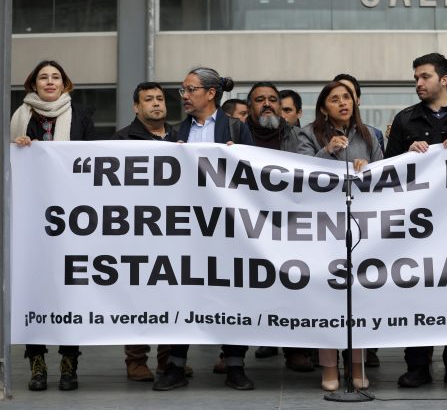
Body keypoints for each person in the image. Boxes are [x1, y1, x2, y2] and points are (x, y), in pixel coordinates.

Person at [384, 52, 447, 389]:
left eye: (425, 77)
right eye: (416, 77)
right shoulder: (404, 120)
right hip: (418, 228)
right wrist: (405, 155)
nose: (418, 83)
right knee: (417, 293)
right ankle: (417, 365)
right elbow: (387, 173)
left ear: (444, 79)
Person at [155, 67, 254, 392]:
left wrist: (236, 159)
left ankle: (235, 365)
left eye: (190, 89)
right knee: (185, 294)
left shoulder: (237, 130)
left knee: (232, 295)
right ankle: (176, 366)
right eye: (182, 90)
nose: (183, 96)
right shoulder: (174, 133)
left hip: (229, 229)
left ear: (210, 93)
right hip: (189, 231)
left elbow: (256, 178)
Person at [11, 59, 96, 391]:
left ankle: (69, 362)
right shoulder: (20, 118)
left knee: (69, 290)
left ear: (65, 84)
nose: (49, 81)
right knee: (35, 289)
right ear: (33, 84)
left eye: (55, 77)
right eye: (43, 77)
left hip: (73, 219)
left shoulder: (83, 117)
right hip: (31, 219)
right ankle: (36, 364)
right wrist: (18, 148)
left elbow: (94, 162)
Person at [298, 81, 382, 391]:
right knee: (329, 296)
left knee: (359, 295)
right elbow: (299, 172)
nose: (343, 103)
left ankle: (356, 364)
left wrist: (367, 168)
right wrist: (327, 150)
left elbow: (383, 174)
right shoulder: (307, 133)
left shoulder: (369, 134)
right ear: (323, 107)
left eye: (347, 97)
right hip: (322, 225)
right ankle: (329, 368)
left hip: (362, 224)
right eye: (335, 99)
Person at [113, 81, 196, 382]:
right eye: (148, 99)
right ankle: (136, 359)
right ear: (136, 106)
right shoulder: (123, 139)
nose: (156, 104)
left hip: (175, 230)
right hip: (139, 230)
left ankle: (167, 360)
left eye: (160, 98)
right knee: (139, 295)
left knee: (172, 294)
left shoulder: (180, 137)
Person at [244, 82, 313, 371]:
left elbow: (312, 174)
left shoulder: (298, 136)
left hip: (288, 223)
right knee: (242, 287)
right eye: (260, 99)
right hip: (244, 223)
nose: (268, 104)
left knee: (291, 284)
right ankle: (232, 353)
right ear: (250, 107)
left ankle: (294, 349)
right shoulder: (235, 135)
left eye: (273, 99)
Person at [333, 73, 385, 154]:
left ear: (358, 100)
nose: (342, 102)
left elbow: (381, 165)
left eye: (348, 95)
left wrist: (365, 166)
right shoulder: (313, 134)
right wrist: (326, 150)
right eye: (336, 97)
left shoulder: (374, 135)